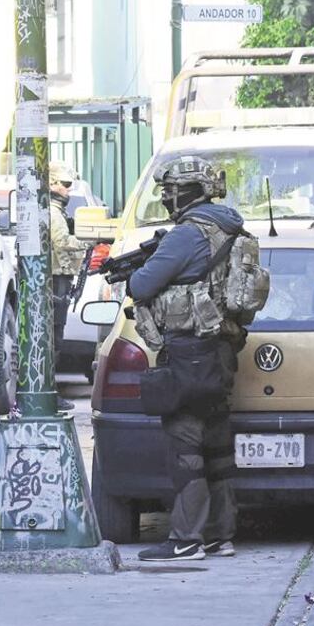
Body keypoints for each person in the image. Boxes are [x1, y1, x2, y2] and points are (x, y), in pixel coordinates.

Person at [127, 156, 260, 561]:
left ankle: (186, 539)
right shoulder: (231, 228)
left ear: (189, 191)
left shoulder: (187, 234)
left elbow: (140, 285)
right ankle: (220, 535)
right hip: (221, 349)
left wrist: (140, 270)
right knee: (217, 443)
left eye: (170, 191)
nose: (167, 198)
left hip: (188, 350)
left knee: (186, 443)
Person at [48, 160, 88, 411]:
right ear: (52, 183)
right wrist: (87, 242)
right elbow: (62, 241)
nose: (68, 189)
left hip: (59, 279)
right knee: (54, 340)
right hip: (56, 280)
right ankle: (49, 392)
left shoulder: (56, 211)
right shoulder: (53, 212)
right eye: (65, 184)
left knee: (56, 339)